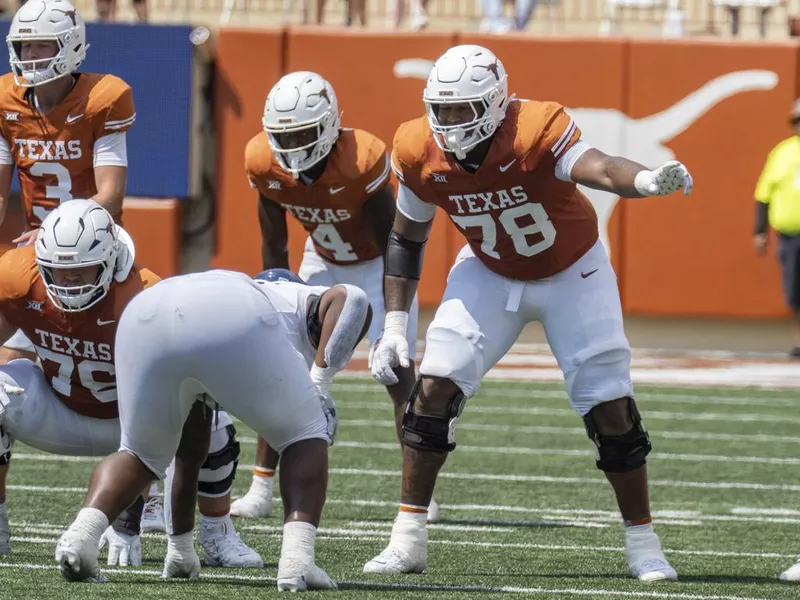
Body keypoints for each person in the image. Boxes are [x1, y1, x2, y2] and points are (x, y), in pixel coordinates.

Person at [365, 44, 693, 582]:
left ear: (495, 105)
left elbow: (602, 167)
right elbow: (406, 238)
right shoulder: (417, 147)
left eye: (460, 110)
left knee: (611, 409)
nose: (447, 123)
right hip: (490, 270)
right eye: (440, 109)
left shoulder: (535, 127)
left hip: (573, 272)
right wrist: (396, 326)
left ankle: (643, 543)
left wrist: (645, 181)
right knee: (431, 393)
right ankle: (408, 539)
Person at [55, 267, 371, 589]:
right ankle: (298, 562)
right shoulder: (298, 303)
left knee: (140, 454)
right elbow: (354, 300)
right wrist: (320, 387)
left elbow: (189, 456)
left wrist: (179, 549)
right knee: (306, 433)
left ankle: (80, 538)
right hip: (232, 309)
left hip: (145, 311)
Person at [0, 200, 260, 569]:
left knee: (210, 416)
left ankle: (218, 532)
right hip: (59, 409)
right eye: (58, 271)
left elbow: (162, 395)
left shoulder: (143, 297)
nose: (69, 281)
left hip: (131, 423)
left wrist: (126, 518)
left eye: (82, 270)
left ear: (109, 262)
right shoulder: (17, 274)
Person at [232, 69, 434, 521]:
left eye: (303, 133)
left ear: (327, 126)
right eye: (283, 135)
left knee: (397, 372)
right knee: (283, 366)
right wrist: (275, 290)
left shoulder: (361, 158)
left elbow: (392, 243)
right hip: (320, 263)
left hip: (377, 267)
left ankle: (420, 494)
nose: (292, 147)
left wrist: (392, 318)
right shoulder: (263, 160)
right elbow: (274, 245)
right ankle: (261, 487)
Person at [0, 0, 135, 365]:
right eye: (23, 46)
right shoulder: (5, 102)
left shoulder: (102, 99)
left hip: (96, 253)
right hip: (37, 257)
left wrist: (52, 230)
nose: (29, 55)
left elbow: (111, 196)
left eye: (41, 45)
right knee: (8, 366)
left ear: (70, 45)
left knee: (121, 359)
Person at [753, 97, 800, 358]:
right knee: (795, 290)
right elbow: (764, 193)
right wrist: (760, 230)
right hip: (791, 233)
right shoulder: (782, 152)